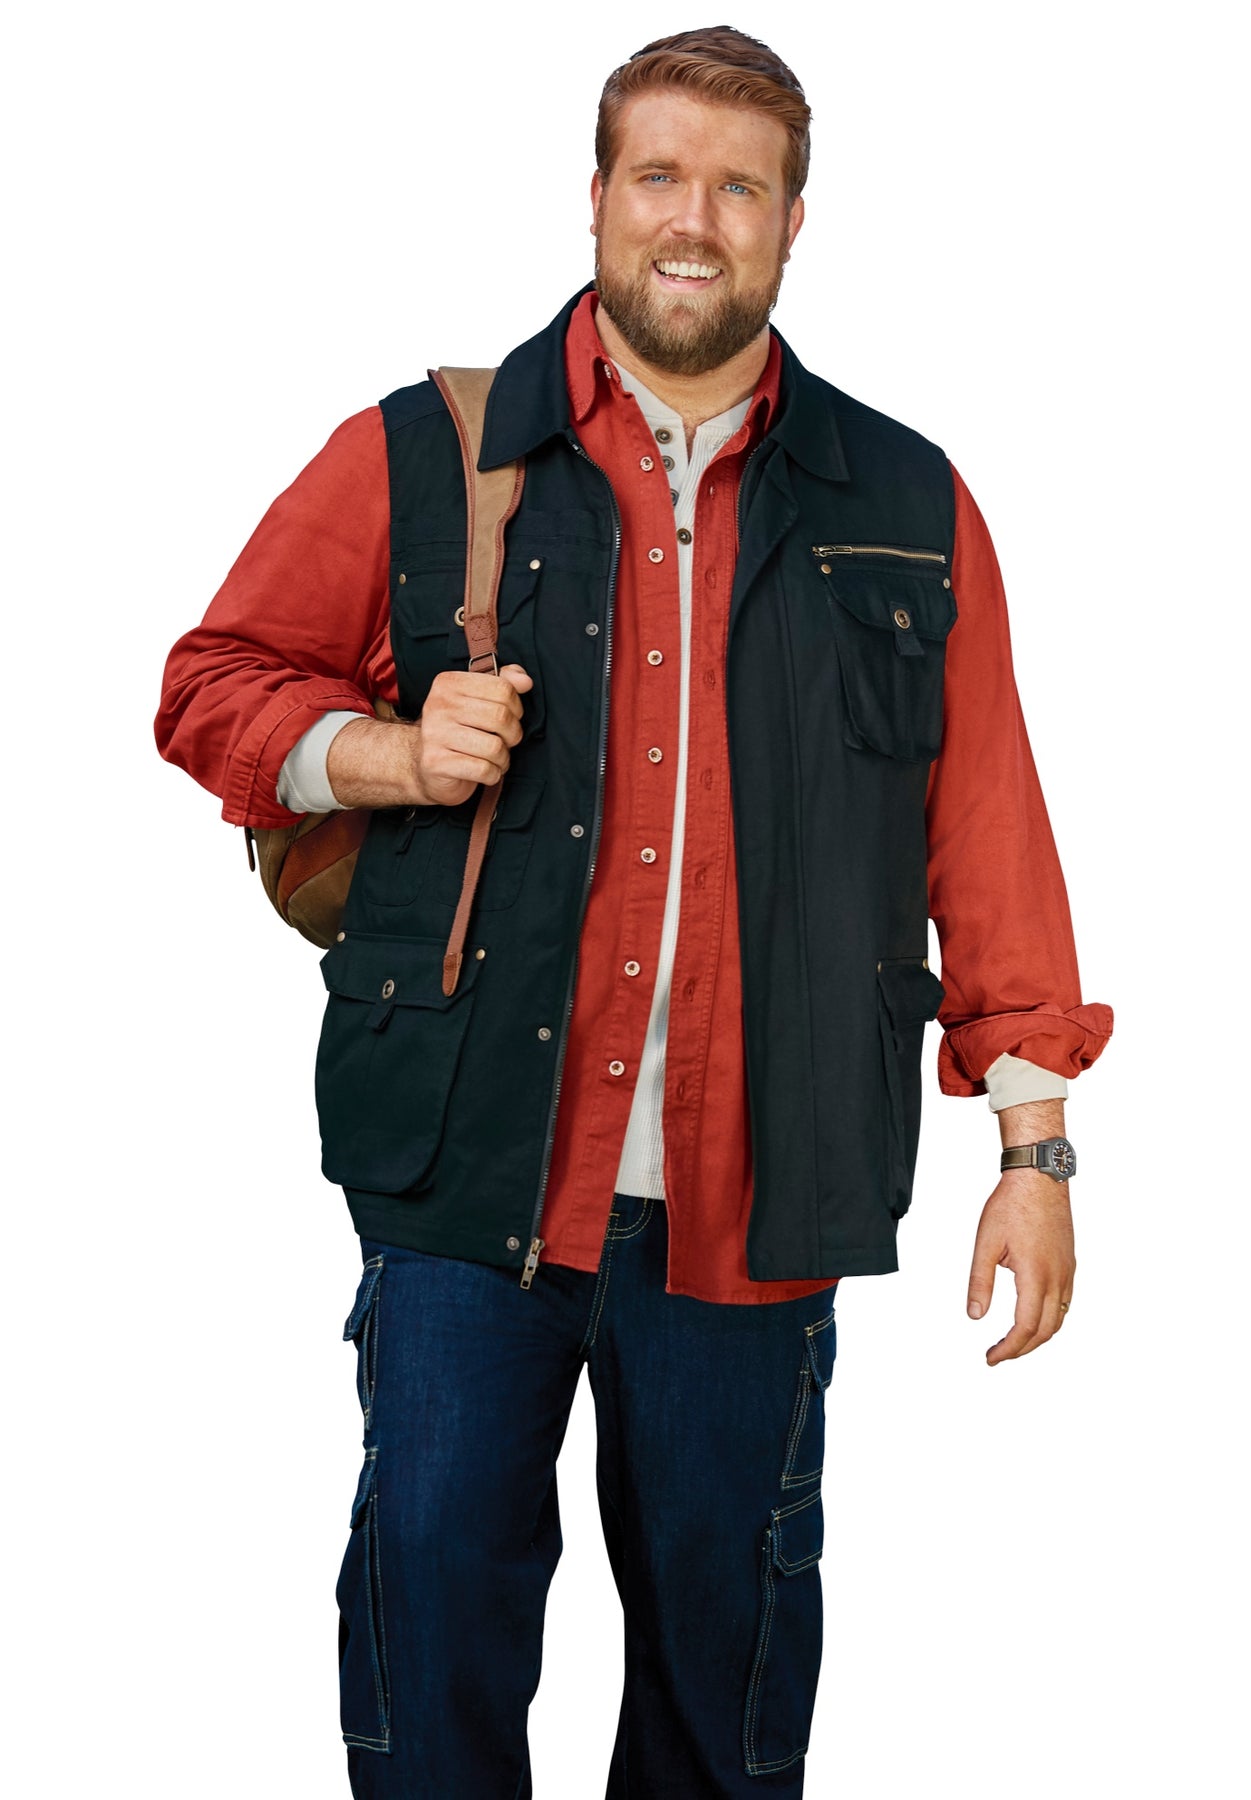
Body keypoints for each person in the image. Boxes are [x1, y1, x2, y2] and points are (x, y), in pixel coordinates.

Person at [155, 25, 1112, 1798]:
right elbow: (210, 684)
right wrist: (381, 751)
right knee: (430, 1663)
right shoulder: (425, 454)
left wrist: (1036, 1153)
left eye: (739, 187)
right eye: (659, 175)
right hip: (466, 1182)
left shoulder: (908, 502)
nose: (695, 218)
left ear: (793, 223)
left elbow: (987, 835)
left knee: (725, 1702)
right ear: (595, 197)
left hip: (763, 1195)